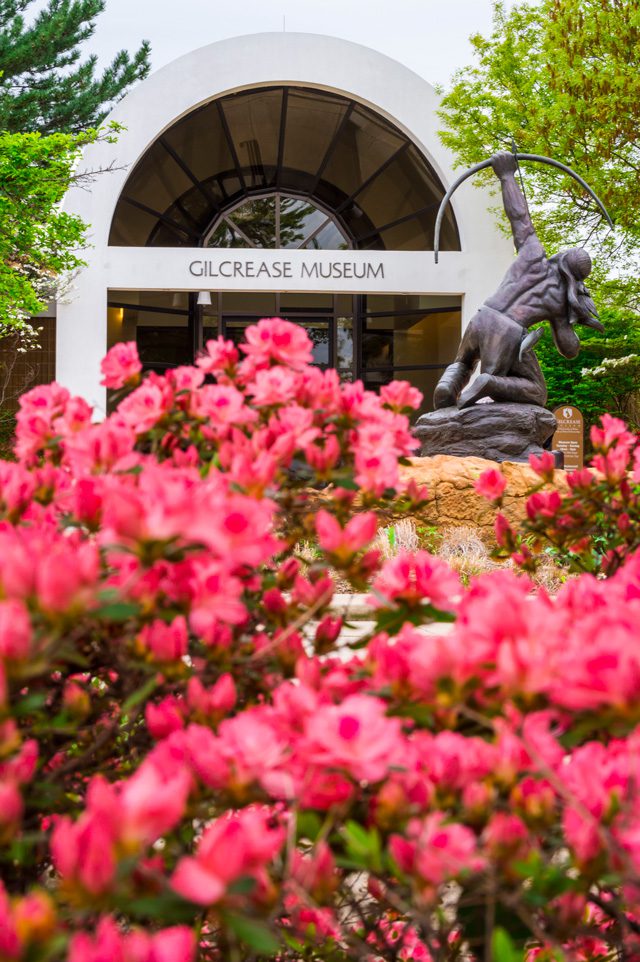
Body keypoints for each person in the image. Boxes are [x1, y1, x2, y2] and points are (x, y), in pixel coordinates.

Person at [434, 151, 603, 410]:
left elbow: (519, 217)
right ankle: (489, 383)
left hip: (483, 316)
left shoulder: (533, 254)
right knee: (537, 393)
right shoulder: (560, 299)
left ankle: (447, 386)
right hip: (507, 331)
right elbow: (569, 350)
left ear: (561, 257)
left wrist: (506, 175)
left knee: (464, 362)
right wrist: (573, 316)